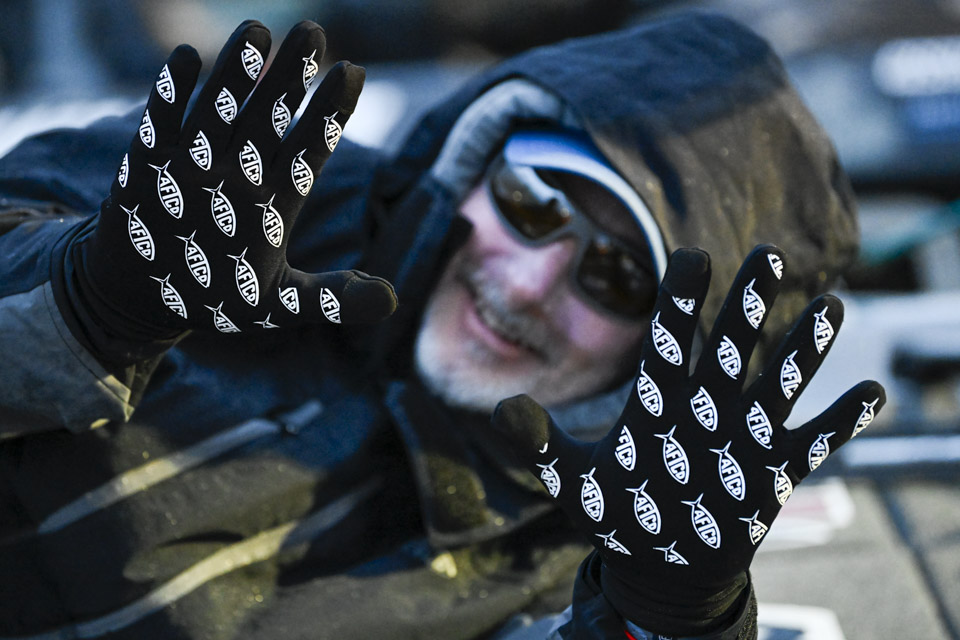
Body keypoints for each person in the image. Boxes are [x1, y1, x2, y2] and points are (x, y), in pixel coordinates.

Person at [0, 12, 883, 640]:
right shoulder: (232, 190)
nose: (529, 283)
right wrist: (84, 310)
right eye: (532, 203)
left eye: (615, 277)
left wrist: (669, 624)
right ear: (470, 165)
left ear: (663, 358)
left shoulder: (606, 549)